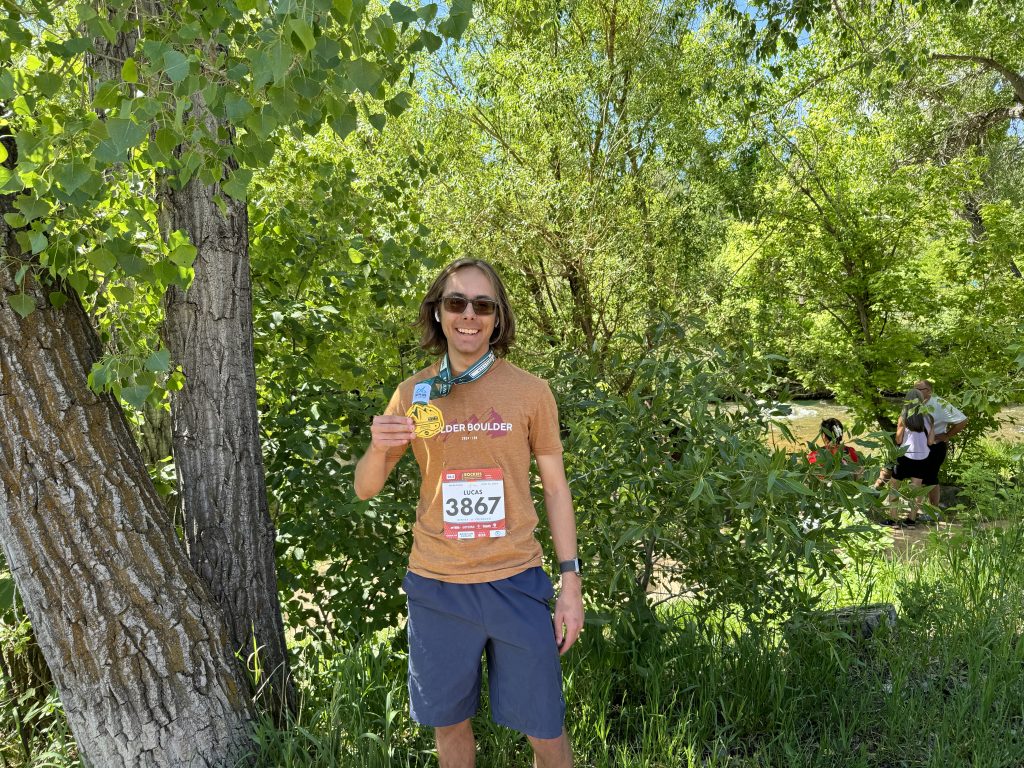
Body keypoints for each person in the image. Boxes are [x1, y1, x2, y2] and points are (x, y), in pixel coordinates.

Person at [354, 258, 583, 768]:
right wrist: (375, 448)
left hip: (516, 581)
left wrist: (570, 582)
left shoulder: (530, 392)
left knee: (545, 728)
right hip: (436, 585)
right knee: (450, 726)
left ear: (498, 318)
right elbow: (367, 488)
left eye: (483, 305)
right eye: (457, 302)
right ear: (438, 313)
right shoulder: (413, 394)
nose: (469, 315)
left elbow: (555, 488)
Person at [914, 379, 968, 508]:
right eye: (914, 389)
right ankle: (915, 512)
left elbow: (962, 420)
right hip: (917, 445)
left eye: (919, 389)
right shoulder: (913, 403)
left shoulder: (940, 404)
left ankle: (934, 510)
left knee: (930, 478)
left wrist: (947, 435)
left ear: (929, 391)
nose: (916, 392)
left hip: (935, 446)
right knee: (916, 477)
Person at [887, 388, 934, 525]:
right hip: (922, 457)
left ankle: (893, 520)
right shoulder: (929, 418)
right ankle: (911, 520)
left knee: (894, 486)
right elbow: (930, 442)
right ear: (921, 401)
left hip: (905, 456)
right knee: (917, 488)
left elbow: (898, 440)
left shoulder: (903, 418)